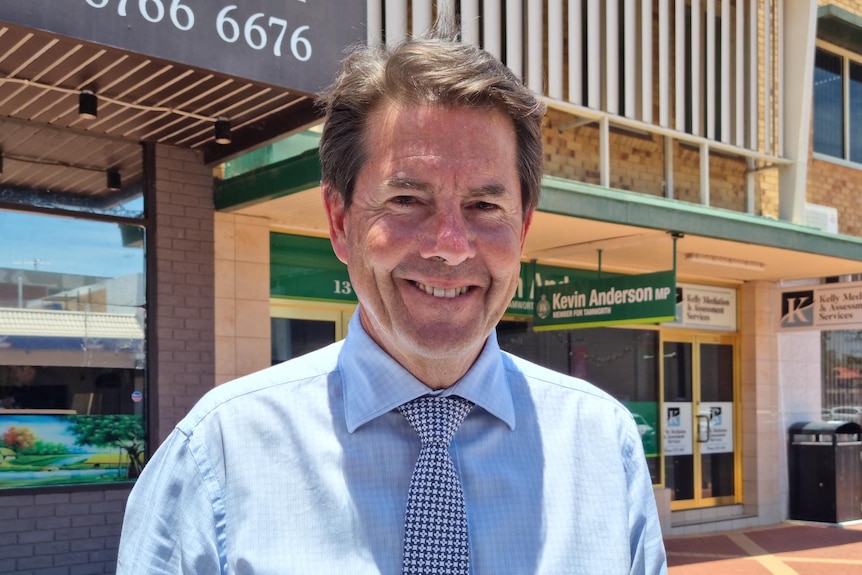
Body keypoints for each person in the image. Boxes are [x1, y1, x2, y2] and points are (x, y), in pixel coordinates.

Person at [117, 20, 667, 575]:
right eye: (406, 199)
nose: (451, 247)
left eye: (484, 206)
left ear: (522, 230)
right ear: (339, 222)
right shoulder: (218, 454)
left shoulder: (603, 445)